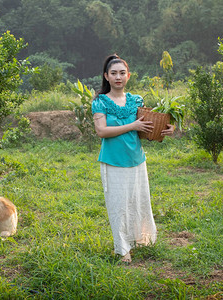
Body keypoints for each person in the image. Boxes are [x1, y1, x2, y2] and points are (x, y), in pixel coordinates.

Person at [91, 54, 174, 263]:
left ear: (128, 76)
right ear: (106, 76)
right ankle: (123, 250)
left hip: (137, 159)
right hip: (113, 160)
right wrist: (132, 126)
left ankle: (141, 240)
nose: (118, 77)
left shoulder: (136, 100)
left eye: (122, 73)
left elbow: (145, 130)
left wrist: (165, 129)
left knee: (137, 202)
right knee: (118, 206)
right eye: (113, 73)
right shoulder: (100, 102)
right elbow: (101, 131)